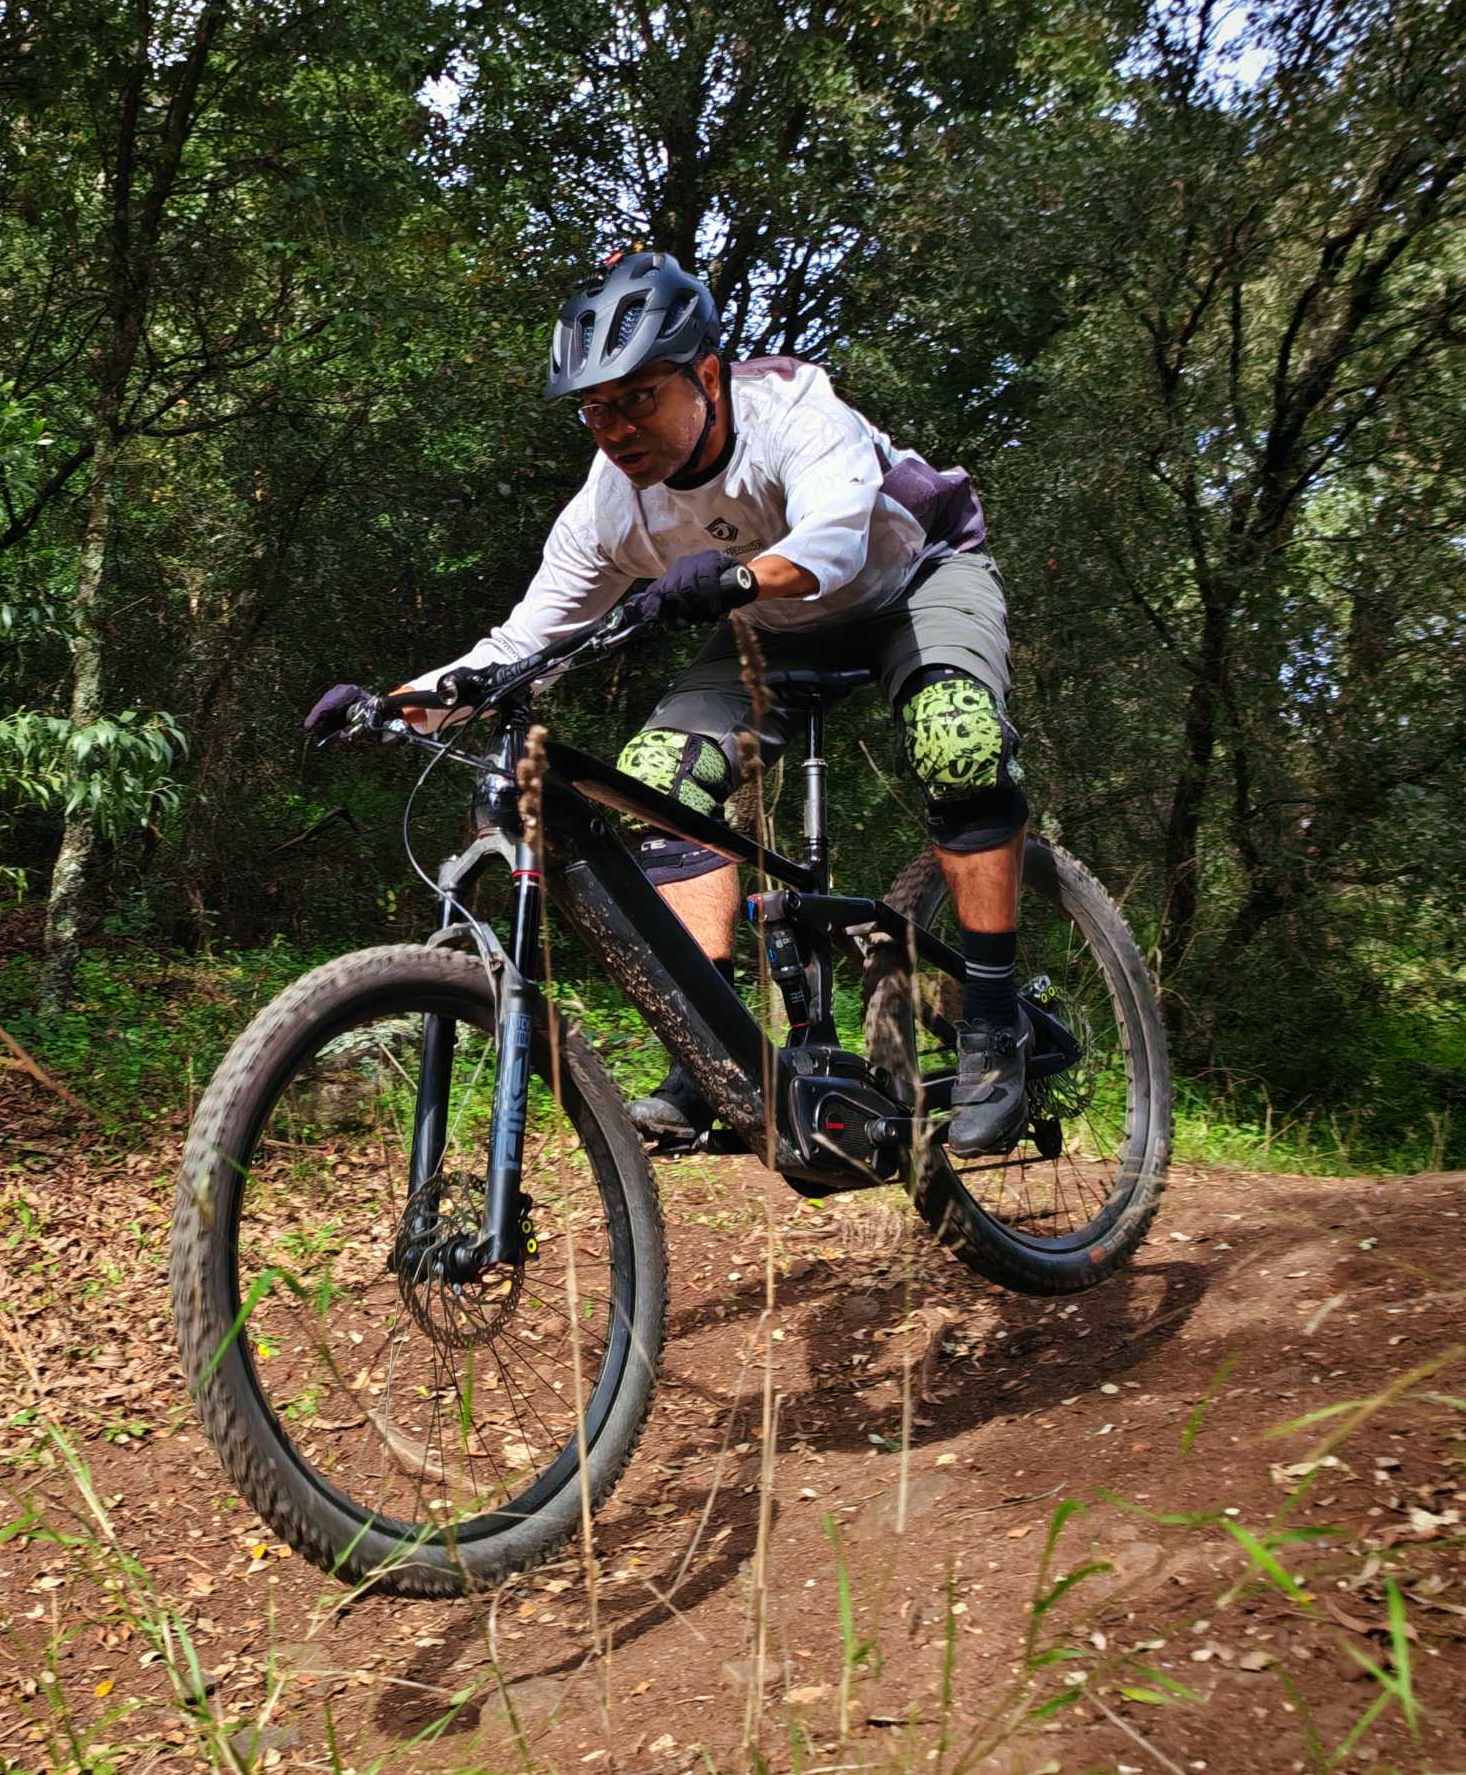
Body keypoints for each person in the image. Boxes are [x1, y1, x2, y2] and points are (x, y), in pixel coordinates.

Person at [306, 249, 1036, 1150]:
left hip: (913, 581)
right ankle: (714, 1056)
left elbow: (835, 543)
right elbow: (523, 645)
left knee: (957, 739)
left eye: (638, 398)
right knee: (654, 779)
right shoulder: (611, 506)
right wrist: (398, 704)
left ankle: (993, 1026)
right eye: (594, 408)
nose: (615, 429)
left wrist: (735, 577)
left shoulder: (794, 411)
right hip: (772, 626)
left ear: (708, 376)